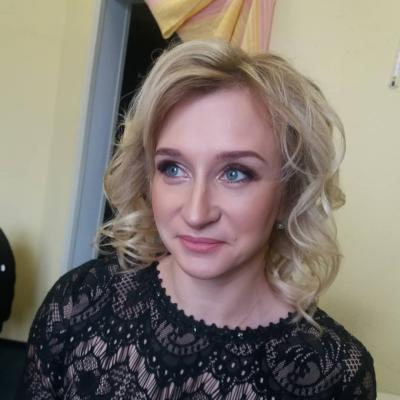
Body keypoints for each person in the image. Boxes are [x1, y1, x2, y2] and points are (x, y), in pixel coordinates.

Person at [19, 39, 376, 399]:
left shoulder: (337, 374)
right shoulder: (78, 301)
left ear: (290, 192)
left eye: (235, 173)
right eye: (173, 168)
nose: (196, 213)